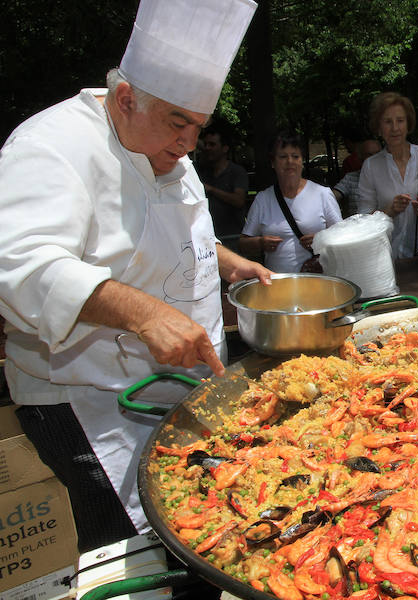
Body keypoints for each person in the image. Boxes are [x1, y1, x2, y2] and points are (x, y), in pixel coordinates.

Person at [0, 0, 266, 552]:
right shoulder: (48, 147)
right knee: (133, 558)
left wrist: (227, 261)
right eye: (178, 122)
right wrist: (145, 314)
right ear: (125, 99)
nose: (189, 143)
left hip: (183, 391)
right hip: (92, 404)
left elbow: (174, 232)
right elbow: (19, 265)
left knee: (199, 536)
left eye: (198, 127)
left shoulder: (165, 143)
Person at [357, 92, 418, 258]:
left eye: (400, 120)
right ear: (378, 128)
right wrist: (389, 210)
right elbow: (364, 218)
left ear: (408, 124)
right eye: (387, 122)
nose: (395, 128)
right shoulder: (371, 166)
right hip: (389, 254)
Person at [240, 131, 343, 272]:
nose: (290, 162)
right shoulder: (263, 199)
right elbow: (243, 244)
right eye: (283, 157)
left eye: (295, 156)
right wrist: (260, 243)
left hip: (318, 281)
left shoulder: (322, 194)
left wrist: (321, 239)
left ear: (302, 161)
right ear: (273, 162)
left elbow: (343, 236)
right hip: (277, 281)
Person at [196, 124, 250, 246]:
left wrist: (211, 189)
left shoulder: (237, 172)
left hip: (232, 241)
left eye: (212, 144)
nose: (207, 148)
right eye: (206, 144)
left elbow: (239, 200)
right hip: (208, 241)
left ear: (225, 148)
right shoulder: (202, 171)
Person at [333, 138, 381, 217]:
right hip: (358, 223)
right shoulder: (350, 178)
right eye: (369, 155)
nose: (374, 158)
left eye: (378, 154)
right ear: (360, 157)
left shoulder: (391, 177)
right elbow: (332, 197)